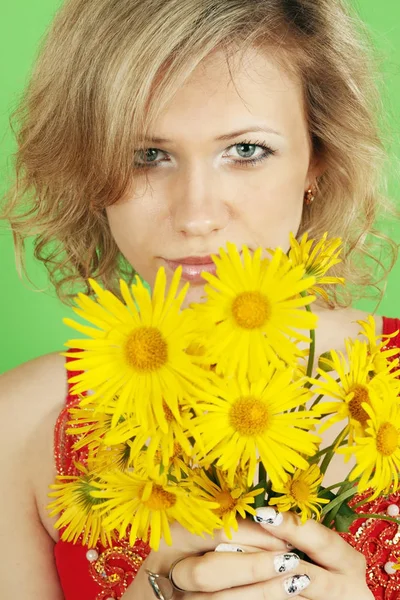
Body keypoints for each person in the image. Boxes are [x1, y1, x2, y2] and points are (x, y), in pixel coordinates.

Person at [1, 0, 399, 598]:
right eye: (148, 156)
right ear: (90, 171)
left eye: (245, 151)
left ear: (318, 157)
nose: (196, 215)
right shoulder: (18, 425)